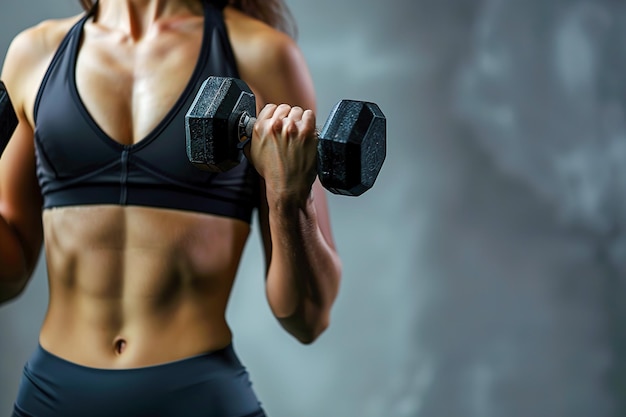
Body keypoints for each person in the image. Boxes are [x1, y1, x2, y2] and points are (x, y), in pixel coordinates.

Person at [0, 0, 342, 415]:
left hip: (196, 397)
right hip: (51, 396)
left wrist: (291, 200)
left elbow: (308, 317)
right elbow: (8, 277)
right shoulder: (34, 54)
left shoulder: (261, 55)